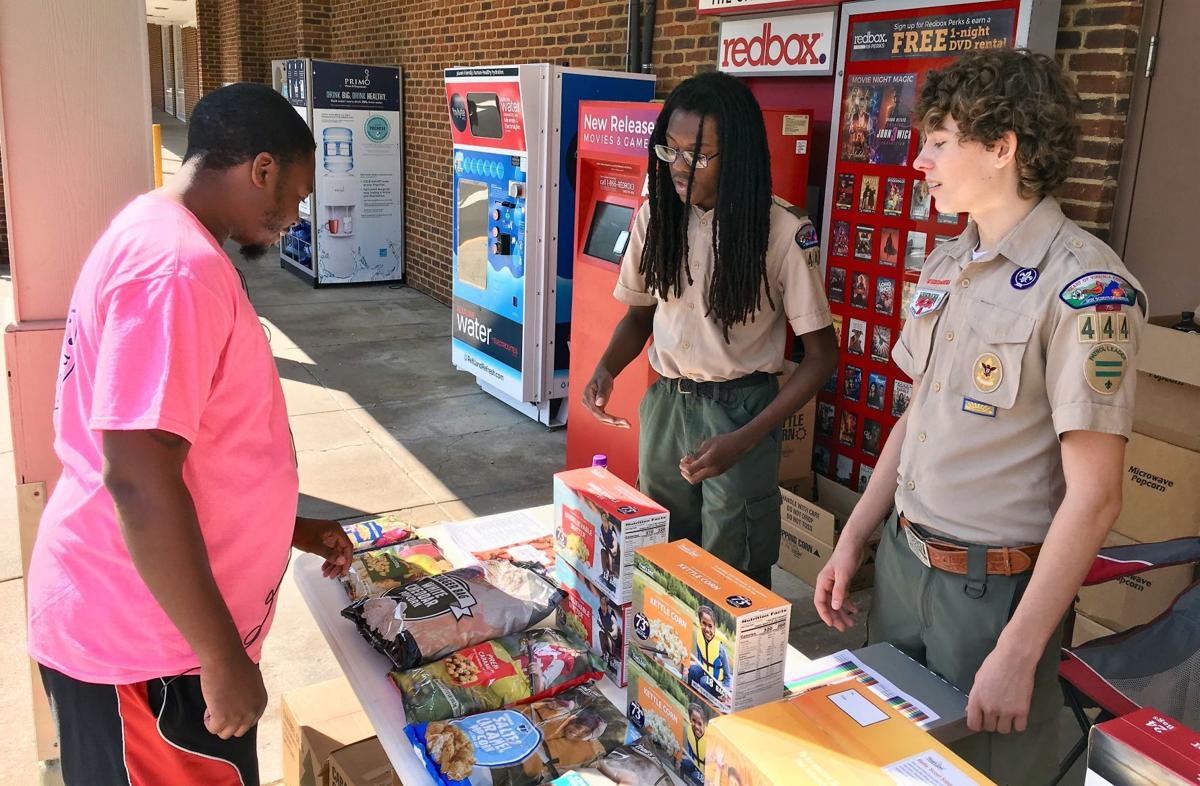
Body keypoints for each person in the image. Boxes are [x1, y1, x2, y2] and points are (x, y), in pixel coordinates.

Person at [812, 50, 1144, 784]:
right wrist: (855, 537)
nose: (920, 161)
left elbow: (1095, 496)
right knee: (889, 762)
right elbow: (915, 418)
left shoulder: (1087, 287)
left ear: (1002, 148)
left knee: (982, 773)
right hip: (904, 565)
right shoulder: (945, 264)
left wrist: (1020, 650)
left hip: (994, 597)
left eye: (939, 141)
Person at [26, 83, 353, 786]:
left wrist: (284, 526)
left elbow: (190, 444)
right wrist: (221, 657)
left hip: (154, 641)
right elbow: (137, 478)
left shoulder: (158, 233)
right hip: (148, 657)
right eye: (296, 195)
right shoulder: (177, 269)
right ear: (261, 169)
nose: (295, 218)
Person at [582, 71, 837, 588]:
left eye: (697, 156)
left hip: (740, 412)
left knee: (731, 574)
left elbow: (821, 357)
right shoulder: (657, 217)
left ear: (737, 156)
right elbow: (639, 315)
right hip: (667, 406)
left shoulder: (784, 232)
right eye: (669, 150)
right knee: (658, 556)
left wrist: (746, 439)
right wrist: (607, 368)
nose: (679, 166)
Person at [687, 605, 731, 702]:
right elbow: (699, 661)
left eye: (710, 626)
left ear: (714, 627)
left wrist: (725, 691)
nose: (707, 629)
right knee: (692, 670)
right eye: (704, 623)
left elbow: (728, 676)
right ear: (700, 622)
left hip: (717, 683)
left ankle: (705, 702)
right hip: (704, 673)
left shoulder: (720, 649)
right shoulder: (699, 638)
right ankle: (690, 694)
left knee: (704, 681)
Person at [680, 701, 708, 785]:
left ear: (704, 723)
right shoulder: (689, 731)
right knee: (683, 763)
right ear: (689, 719)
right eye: (693, 721)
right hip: (696, 766)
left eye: (699, 723)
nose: (696, 726)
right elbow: (690, 753)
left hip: (708, 776)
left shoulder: (709, 740)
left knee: (695, 776)